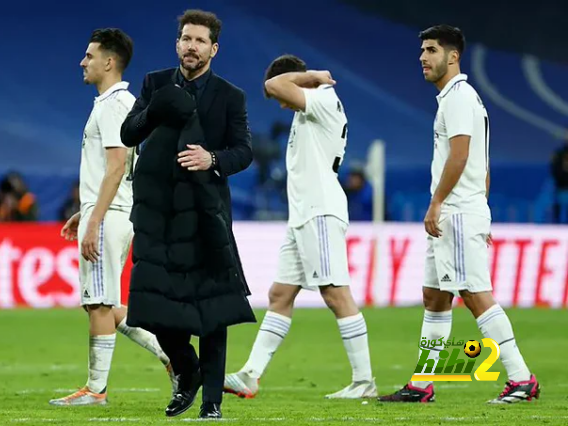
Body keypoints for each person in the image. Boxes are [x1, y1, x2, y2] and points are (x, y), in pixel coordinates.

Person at [379, 25, 540, 404]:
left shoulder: (459, 98)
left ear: (453, 57)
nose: (423, 57)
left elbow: (461, 155)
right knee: (434, 296)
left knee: (475, 294)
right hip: (460, 211)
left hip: (456, 213)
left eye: (432, 50)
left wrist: (441, 204)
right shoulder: (457, 98)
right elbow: (482, 166)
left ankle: (521, 378)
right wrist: (476, 203)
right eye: (422, 50)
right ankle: (422, 383)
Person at [120, 10, 254, 419]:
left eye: (199, 40)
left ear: (214, 49)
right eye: (185, 38)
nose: (191, 46)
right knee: (153, 308)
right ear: (177, 43)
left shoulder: (231, 95)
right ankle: (187, 368)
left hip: (205, 216)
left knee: (213, 311)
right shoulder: (155, 83)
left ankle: (211, 401)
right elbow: (129, 133)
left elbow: (243, 151)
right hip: (159, 218)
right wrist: (156, 109)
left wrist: (210, 158)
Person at [223, 55, 377, 400]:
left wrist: (310, 76)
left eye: (283, 95)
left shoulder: (321, 99)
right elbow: (277, 89)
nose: (279, 102)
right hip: (303, 215)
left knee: (336, 294)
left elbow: (274, 85)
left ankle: (364, 381)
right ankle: (250, 375)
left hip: (320, 211)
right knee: (281, 294)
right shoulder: (309, 109)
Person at [49, 28, 175, 407]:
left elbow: (117, 166)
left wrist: (95, 218)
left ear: (109, 61)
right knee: (103, 304)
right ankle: (173, 355)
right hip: (108, 211)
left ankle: (95, 390)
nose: (82, 62)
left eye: (89, 56)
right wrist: (84, 212)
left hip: (111, 215)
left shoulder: (114, 105)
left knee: (100, 305)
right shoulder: (114, 103)